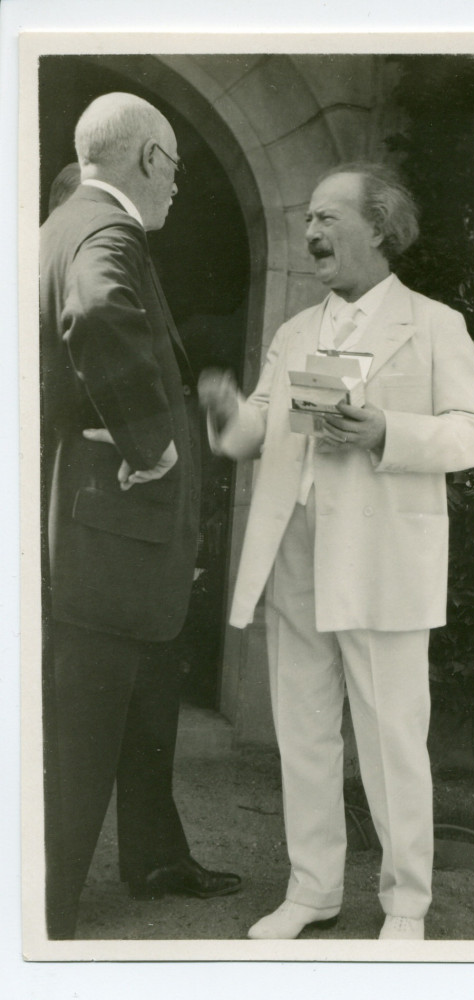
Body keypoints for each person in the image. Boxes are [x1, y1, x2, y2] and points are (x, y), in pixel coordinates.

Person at [199, 163, 474, 940]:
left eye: (328, 217)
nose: (311, 232)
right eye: (308, 219)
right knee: (302, 730)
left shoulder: (434, 325)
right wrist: (227, 413)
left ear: (380, 228)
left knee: (392, 737)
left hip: (383, 558)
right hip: (296, 548)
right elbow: (255, 432)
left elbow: (473, 434)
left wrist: (388, 431)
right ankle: (313, 890)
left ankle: (406, 904)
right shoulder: (297, 332)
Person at [39, 92, 240, 939]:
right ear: (150, 158)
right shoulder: (106, 232)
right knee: (84, 723)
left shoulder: (60, 225)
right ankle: (42, 910)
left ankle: (156, 858)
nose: (179, 186)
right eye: (177, 168)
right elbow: (96, 313)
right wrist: (151, 442)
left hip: (113, 534)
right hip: (112, 533)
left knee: (146, 693)